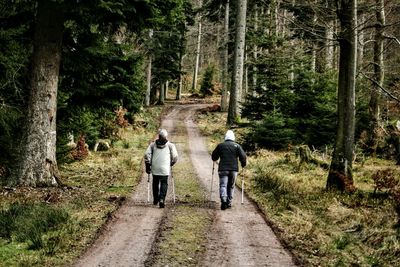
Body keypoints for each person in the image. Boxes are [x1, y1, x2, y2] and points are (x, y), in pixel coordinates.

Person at [211, 130, 246, 210]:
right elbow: (243, 157)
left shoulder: (220, 145)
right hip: (234, 169)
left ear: (225, 137)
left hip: (223, 169)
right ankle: (229, 202)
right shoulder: (237, 146)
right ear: (233, 138)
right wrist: (243, 164)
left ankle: (223, 199)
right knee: (231, 186)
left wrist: (215, 158)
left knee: (223, 185)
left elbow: (214, 156)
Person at [144, 129, 178, 208]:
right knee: (164, 183)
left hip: (155, 168)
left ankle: (156, 199)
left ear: (158, 136)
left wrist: (148, 165)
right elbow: (175, 157)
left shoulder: (152, 145)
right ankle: (162, 199)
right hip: (165, 168)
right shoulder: (170, 145)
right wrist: (171, 163)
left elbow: (146, 155)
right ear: (166, 136)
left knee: (155, 183)